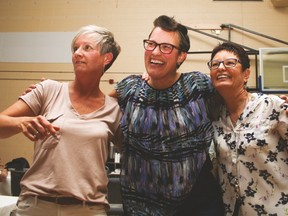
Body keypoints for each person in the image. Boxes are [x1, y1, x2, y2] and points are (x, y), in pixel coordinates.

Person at [0, 24, 122, 216]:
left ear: (106, 58)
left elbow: (134, 154)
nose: (77, 53)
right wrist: (20, 122)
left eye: (87, 48)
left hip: (88, 209)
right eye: (75, 48)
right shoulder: (48, 90)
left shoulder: (114, 109)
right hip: (36, 205)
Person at [109, 15, 224, 216]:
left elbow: (239, 100)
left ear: (181, 56)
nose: (155, 51)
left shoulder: (197, 85)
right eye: (151, 44)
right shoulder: (130, 88)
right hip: (140, 206)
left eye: (165, 47)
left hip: (197, 203)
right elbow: (94, 108)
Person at [207, 42, 288, 216]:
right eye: (215, 64)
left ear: (246, 74)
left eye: (230, 62)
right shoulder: (214, 116)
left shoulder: (272, 107)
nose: (221, 67)